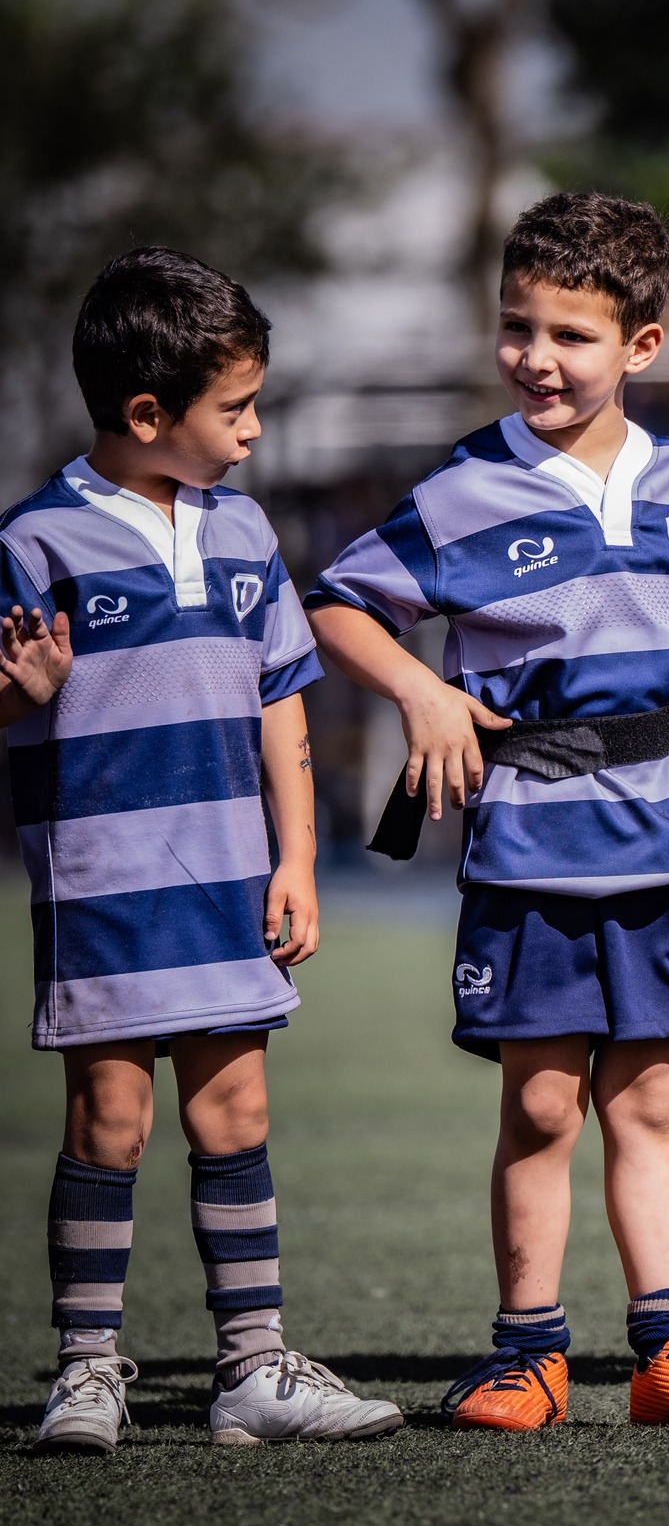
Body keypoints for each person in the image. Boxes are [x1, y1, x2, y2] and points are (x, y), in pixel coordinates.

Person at [307, 194, 669, 1431]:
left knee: (648, 1101)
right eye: (517, 326)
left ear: (640, 346)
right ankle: (527, 1355)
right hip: (531, 835)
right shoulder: (465, 487)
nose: (536, 356)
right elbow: (338, 603)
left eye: (571, 335)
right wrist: (420, 690)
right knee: (536, 1100)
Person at [7, 249, 403, 1452]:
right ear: (146, 414)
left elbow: (282, 705)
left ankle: (252, 1371)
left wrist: (296, 860)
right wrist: (23, 695)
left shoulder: (244, 531)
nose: (253, 430)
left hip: (234, 881)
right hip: (106, 886)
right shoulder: (35, 542)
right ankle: (85, 1371)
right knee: (108, 1124)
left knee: (234, 1117)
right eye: (233, 409)